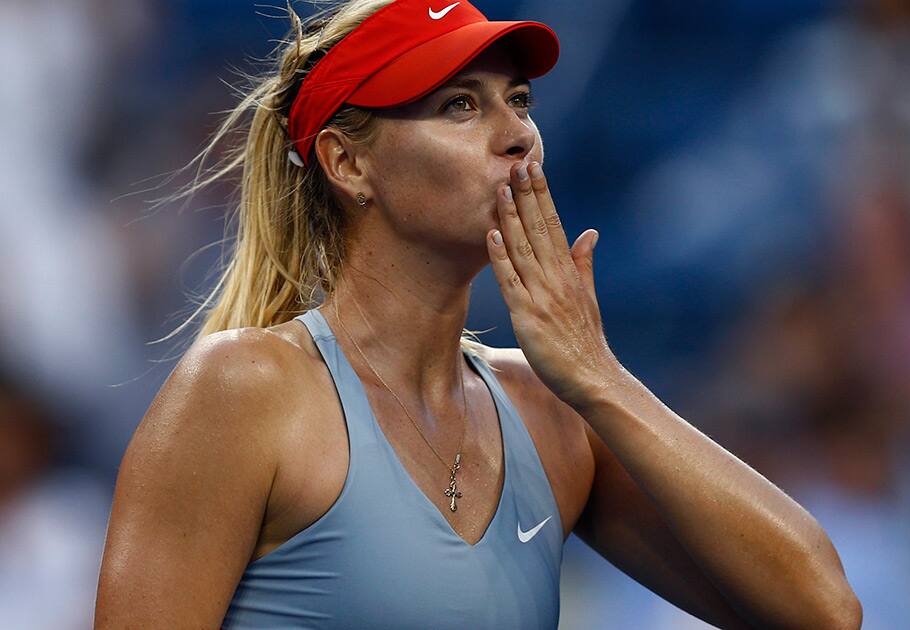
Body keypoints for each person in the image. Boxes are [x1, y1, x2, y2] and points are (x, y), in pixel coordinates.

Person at [94, 1, 862, 627]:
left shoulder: (554, 414)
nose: (517, 134)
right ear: (348, 162)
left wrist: (598, 376)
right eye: (460, 105)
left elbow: (822, 610)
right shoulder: (242, 391)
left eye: (519, 100)